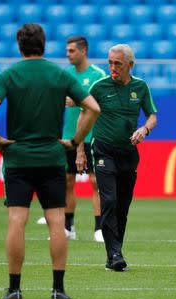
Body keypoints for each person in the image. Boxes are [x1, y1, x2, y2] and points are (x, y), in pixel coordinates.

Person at [0, 24, 100, 299]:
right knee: (56, 222)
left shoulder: (9, 74)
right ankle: (58, 289)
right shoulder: (59, 75)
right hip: (52, 157)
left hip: (18, 159)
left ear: (19, 45)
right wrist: (73, 141)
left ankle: (14, 289)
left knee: (16, 221)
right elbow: (93, 108)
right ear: (44, 45)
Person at [89, 44, 157, 271]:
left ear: (130, 64)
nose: (112, 67)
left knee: (123, 206)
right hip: (103, 151)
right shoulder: (99, 87)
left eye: (117, 63)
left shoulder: (141, 86)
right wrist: (79, 148)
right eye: (109, 62)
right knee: (109, 200)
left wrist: (144, 130)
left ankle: (113, 254)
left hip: (128, 153)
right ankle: (115, 253)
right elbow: (84, 112)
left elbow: (152, 117)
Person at [36, 36, 106, 242]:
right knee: (66, 181)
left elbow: (98, 104)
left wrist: (75, 100)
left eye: (71, 51)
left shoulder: (98, 75)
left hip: (92, 135)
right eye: (67, 51)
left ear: (83, 51)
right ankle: (68, 227)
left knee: (95, 181)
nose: (68, 54)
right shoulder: (65, 75)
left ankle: (99, 228)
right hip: (68, 136)